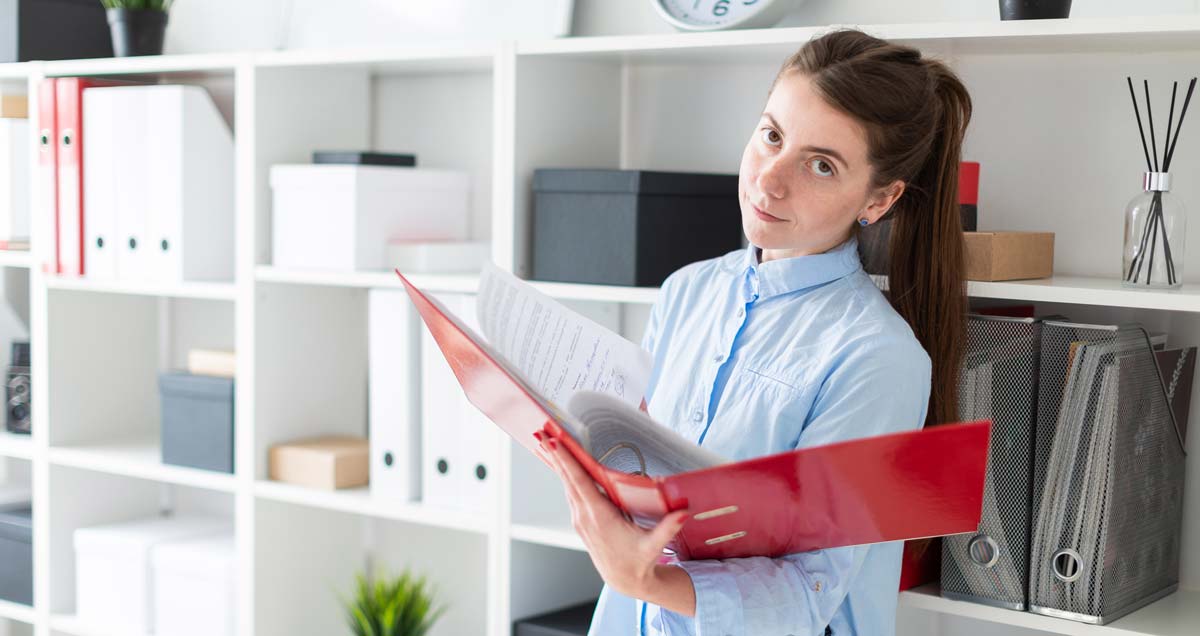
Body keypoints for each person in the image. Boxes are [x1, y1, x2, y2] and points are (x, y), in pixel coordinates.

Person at [536, 28, 970, 636]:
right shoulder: (686, 291)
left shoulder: (879, 357)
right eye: (771, 136)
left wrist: (647, 580)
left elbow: (809, 591)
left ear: (879, 199)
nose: (770, 179)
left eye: (821, 165)